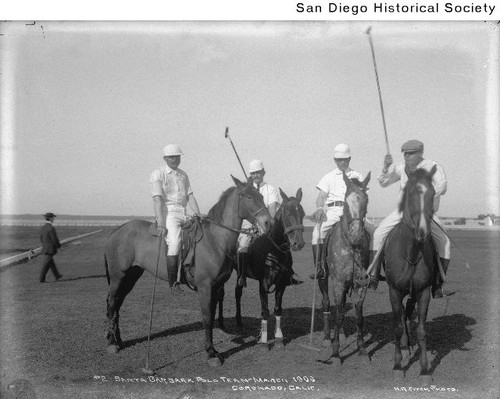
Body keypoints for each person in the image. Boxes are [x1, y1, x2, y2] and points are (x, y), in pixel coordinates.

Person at [357, 139, 452, 298]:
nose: (407, 157)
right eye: (405, 154)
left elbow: (442, 186)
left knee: (445, 242)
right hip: (402, 212)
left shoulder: (432, 167)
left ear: (420, 153)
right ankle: (373, 276)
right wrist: (386, 167)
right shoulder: (401, 168)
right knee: (379, 234)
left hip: (425, 213)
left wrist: (423, 197)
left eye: (410, 154)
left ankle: (437, 284)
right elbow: (383, 182)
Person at [236, 159, 303, 287]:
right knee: (243, 244)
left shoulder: (270, 189)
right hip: (249, 223)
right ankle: (241, 275)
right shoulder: (248, 190)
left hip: (266, 222)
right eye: (253, 173)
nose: (256, 175)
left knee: (283, 244)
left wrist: (266, 223)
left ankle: (289, 273)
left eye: (258, 172)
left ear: (263, 172)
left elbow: (272, 208)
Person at [149, 144, 202, 294]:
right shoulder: (158, 174)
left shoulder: (183, 175)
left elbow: (190, 196)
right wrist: (160, 223)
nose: (175, 159)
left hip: (183, 212)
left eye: (177, 156)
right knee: (175, 242)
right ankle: (173, 283)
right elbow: (157, 201)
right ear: (165, 158)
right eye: (172, 157)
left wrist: (197, 213)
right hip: (168, 213)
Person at [310, 144, 366, 279]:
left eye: (345, 159)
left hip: (354, 213)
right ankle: (320, 267)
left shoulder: (358, 176)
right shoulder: (328, 177)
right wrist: (319, 209)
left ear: (350, 159)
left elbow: (364, 196)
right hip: (334, 211)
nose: (342, 162)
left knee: (372, 232)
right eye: (339, 159)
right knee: (317, 233)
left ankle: (370, 270)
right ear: (335, 160)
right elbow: (321, 197)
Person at [39, 212, 63, 283]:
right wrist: (58, 246)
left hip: (45, 247)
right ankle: (41, 279)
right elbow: (54, 239)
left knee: (50, 262)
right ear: (50, 218)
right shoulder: (51, 228)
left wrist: (45, 244)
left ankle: (57, 275)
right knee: (46, 263)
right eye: (53, 218)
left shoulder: (43, 227)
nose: (54, 219)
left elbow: (41, 238)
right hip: (50, 249)